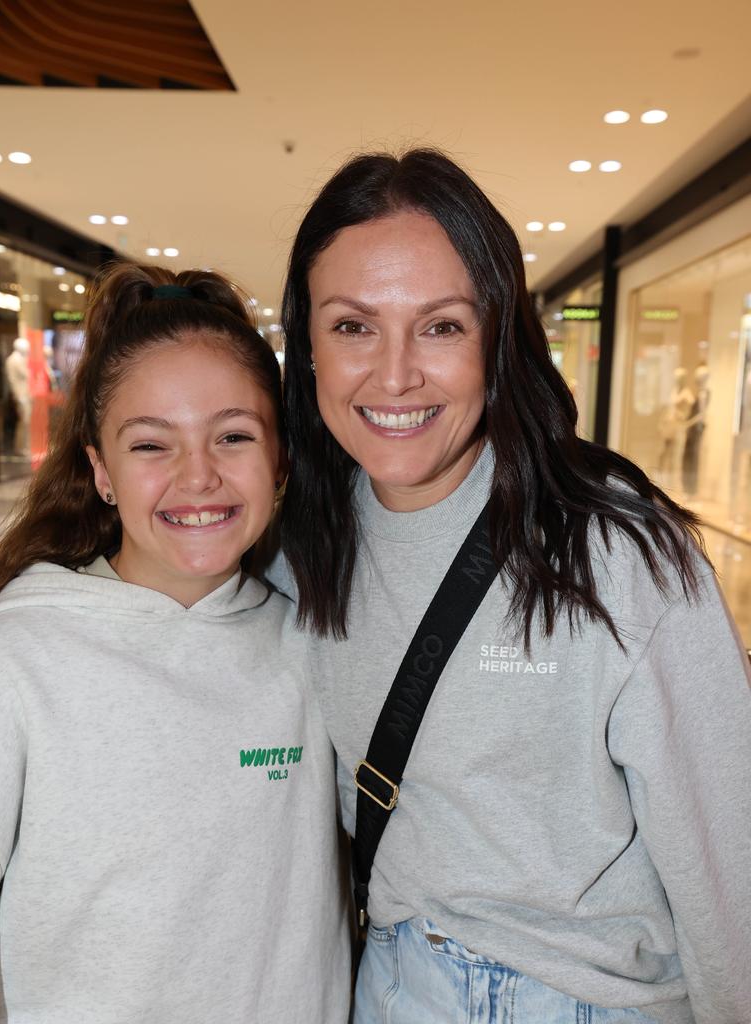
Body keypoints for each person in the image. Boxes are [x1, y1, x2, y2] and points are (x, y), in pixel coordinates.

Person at [274, 149, 751, 1024]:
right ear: (306, 344)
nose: (394, 374)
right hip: (387, 984)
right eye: (352, 326)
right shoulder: (301, 544)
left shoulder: (615, 554)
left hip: (583, 995)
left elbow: (731, 856)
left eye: (442, 326)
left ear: (499, 337)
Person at [0, 263, 350, 1024]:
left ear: (281, 459)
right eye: (152, 445)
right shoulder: (15, 659)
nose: (200, 476)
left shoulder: (315, 648)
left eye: (234, 436)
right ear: (101, 471)